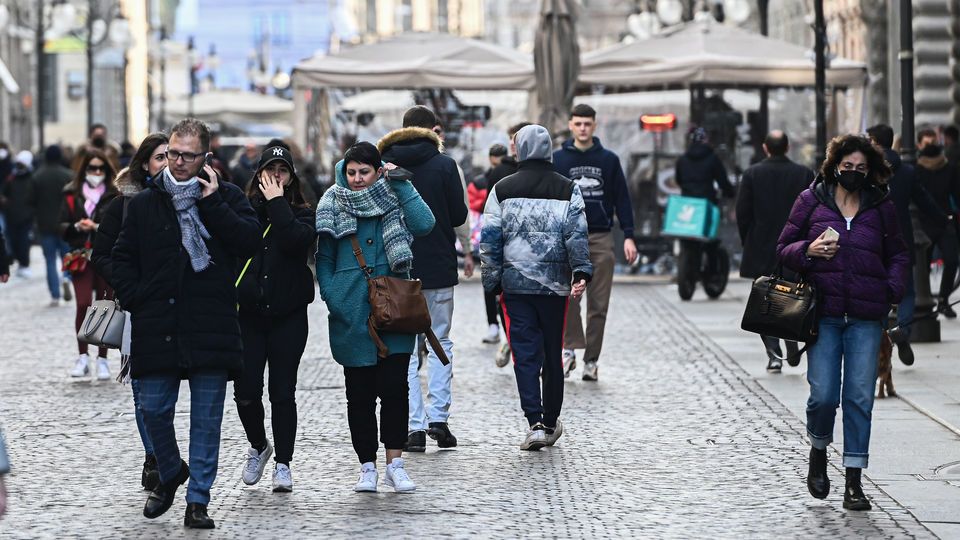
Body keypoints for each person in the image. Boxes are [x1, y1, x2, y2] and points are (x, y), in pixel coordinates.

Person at [111, 118, 261, 529]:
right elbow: (121, 257)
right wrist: (137, 297)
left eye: (188, 155)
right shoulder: (145, 201)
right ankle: (171, 467)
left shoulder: (226, 197)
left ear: (205, 157)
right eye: (173, 153)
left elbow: (249, 242)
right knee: (154, 408)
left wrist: (211, 204)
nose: (177, 162)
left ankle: (199, 500)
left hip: (210, 321)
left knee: (207, 417)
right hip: (158, 321)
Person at [777, 134, 909, 511]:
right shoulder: (810, 200)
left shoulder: (881, 206)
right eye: (847, 167)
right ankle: (818, 450)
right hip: (825, 314)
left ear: (871, 172)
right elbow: (782, 248)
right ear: (835, 165)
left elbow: (899, 253)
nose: (853, 173)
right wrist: (808, 249)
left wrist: (892, 289)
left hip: (867, 316)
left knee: (859, 397)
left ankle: (854, 479)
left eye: (861, 168)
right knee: (822, 395)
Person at [316, 142, 435, 492]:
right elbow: (323, 258)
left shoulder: (393, 196)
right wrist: (333, 295)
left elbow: (425, 224)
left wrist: (400, 182)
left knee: (395, 389)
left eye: (364, 172)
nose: (356, 179)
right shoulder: (331, 202)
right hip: (351, 310)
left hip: (395, 307)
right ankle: (366, 465)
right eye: (351, 172)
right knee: (360, 395)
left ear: (377, 170)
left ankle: (394, 463)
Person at [481, 124, 592, 449]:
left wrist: (493, 281)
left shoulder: (502, 188)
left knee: (525, 355)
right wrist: (580, 272)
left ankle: (534, 421)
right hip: (554, 287)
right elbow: (576, 234)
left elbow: (490, 240)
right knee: (552, 353)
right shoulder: (567, 188)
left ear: (519, 149)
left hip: (516, 287)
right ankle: (551, 417)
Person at [379, 106, 468, 452]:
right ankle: (438, 420)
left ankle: (413, 427)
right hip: (439, 265)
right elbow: (459, 215)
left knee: (404, 349)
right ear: (432, 130)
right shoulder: (445, 165)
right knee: (440, 341)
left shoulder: (382, 163)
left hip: (397, 268)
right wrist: (468, 248)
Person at [234, 142, 316, 493]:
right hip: (249, 316)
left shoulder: (303, 213)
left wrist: (278, 203)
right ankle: (258, 445)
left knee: (282, 392)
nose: (276, 176)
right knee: (246, 391)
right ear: (260, 175)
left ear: (291, 177)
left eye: (282, 171)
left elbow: (298, 243)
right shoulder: (244, 210)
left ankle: (283, 462)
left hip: (288, 315)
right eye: (271, 171)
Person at [91, 132, 169, 491]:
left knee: (171, 389)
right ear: (144, 164)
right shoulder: (123, 203)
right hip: (139, 308)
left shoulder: (193, 198)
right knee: (143, 390)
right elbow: (101, 253)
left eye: (173, 156)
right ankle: (155, 457)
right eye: (159, 157)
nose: (168, 163)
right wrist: (128, 286)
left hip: (180, 308)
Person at [552, 104, 637, 381]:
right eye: (578, 123)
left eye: (587, 123)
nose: (583, 128)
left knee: (599, 303)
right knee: (568, 297)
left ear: (595, 125)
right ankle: (569, 349)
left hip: (601, 236)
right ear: (570, 125)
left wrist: (629, 235)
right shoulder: (558, 159)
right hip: (568, 236)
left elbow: (622, 199)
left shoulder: (609, 160)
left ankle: (591, 359)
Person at [735, 130, 814, 373]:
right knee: (792, 294)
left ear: (765, 148)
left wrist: (747, 240)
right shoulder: (803, 173)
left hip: (762, 244)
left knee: (764, 300)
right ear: (787, 147)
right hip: (794, 245)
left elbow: (742, 212)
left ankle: (774, 353)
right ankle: (790, 338)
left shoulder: (752, 174)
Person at [867, 124, 946, 365]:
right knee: (907, 291)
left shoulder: (866, 169)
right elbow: (925, 201)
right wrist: (943, 220)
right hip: (901, 239)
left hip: (872, 239)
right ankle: (902, 329)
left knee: (876, 290)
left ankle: (881, 334)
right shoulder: (908, 171)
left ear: (874, 142)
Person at [60, 148, 119, 380]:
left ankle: (102, 358)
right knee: (83, 304)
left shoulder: (114, 194)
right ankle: (82, 356)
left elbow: (120, 226)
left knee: (105, 305)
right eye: (91, 168)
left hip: (105, 255)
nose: (96, 172)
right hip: (80, 256)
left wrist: (98, 228)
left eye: (100, 168)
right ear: (84, 169)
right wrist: (76, 227)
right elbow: (60, 224)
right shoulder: (71, 193)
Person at [674, 126, 735, 301]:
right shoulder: (712, 158)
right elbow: (723, 181)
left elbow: (678, 180)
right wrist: (730, 192)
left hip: (687, 205)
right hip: (707, 204)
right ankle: (713, 272)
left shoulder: (683, 159)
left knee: (686, 239)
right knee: (711, 242)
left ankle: (688, 268)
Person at [915, 128, 960, 318]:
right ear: (918, 145)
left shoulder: (949, 168)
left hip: (944, 221)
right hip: (923, 222)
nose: (931, 147)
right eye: (927, 143)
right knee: (923, 265)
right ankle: (925, 303)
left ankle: (943, 299)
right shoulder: (915, 169)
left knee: (952, 260)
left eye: (934, 142)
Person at [32, 145, 75, 306]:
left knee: (50, 260)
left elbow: (30, 200)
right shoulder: (68, 175)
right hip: (65, 224)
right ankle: (66, 278)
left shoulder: (37, 176)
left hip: (45, 224)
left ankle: (55, 295)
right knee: (68, 257)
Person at [1, 151, 36, 278]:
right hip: (11, 215)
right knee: (13, 241)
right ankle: (18, 262)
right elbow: (4, 192)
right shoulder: (11, 178)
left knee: (24, 243)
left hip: (26, 217)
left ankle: (24, 264)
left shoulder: (32, 177)